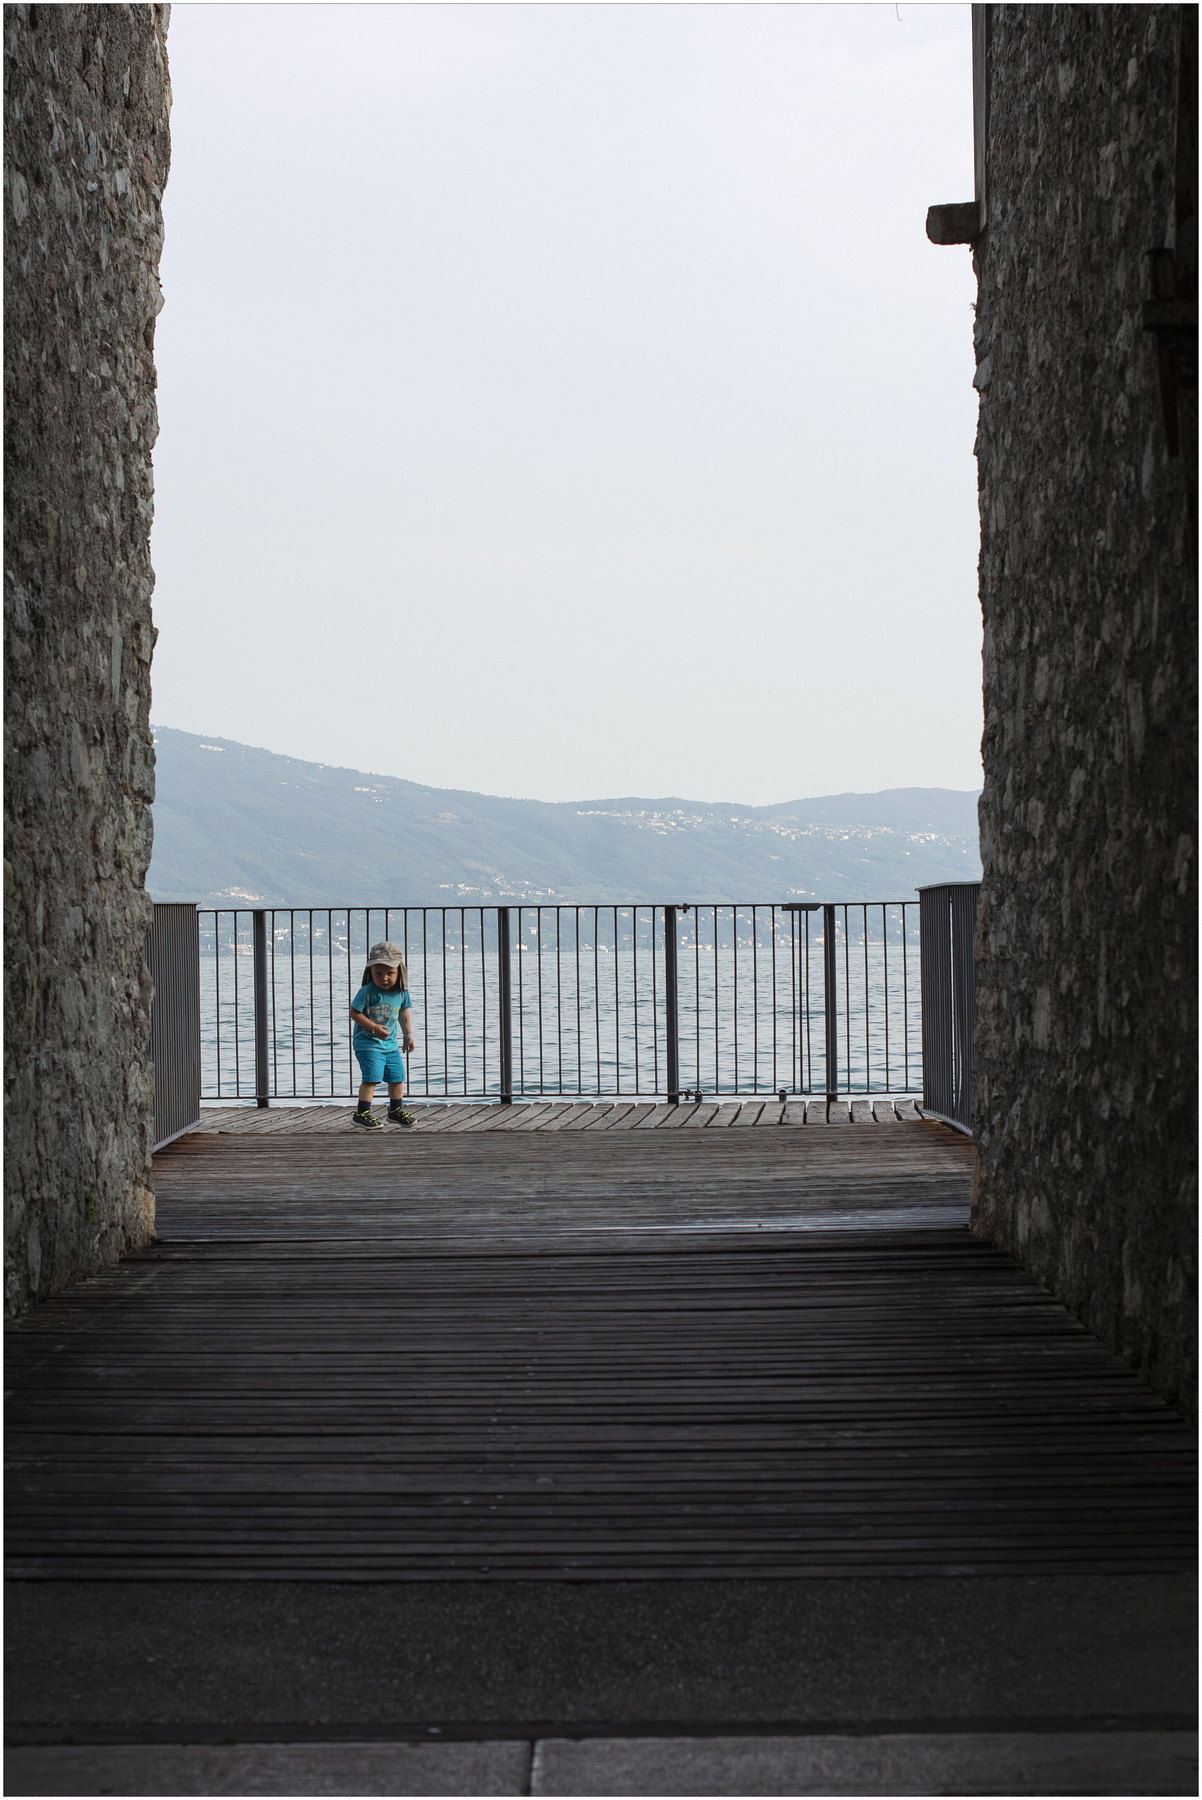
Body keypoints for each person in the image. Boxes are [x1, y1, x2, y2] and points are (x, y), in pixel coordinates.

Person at [349, 941, 417, 1128]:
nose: (384, 978)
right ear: (370, 972)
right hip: (367, 1044)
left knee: (397, 1077)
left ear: (399, 972)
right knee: (372, 1077)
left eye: (390, 973)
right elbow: (354, 1012)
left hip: (390, 1045)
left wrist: (408, 1034)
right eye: (378, 973)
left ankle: (395, 1111)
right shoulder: (368, 991)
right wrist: (373, 1028)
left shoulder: (401, 992)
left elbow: (404, 1012)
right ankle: (361, 1114)